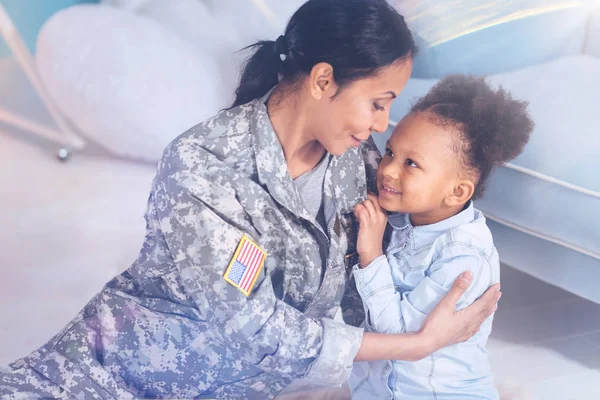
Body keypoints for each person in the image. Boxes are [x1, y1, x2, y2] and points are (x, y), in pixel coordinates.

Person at [0, 1, 500, 399]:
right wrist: (418, 346)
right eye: (377, 103)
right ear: (323, 80)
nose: (379, 125)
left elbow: (428, 207)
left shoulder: (356, 158)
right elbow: (256, 327)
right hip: (112, 382)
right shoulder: (202, 166)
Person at [349, 75, 533, 399]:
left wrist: (371, 255)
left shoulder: (462, 255)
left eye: (411, 163)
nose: (388, 169)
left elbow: (401, 339)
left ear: (457, 191)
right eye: (390, 151)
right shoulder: (404, 218)